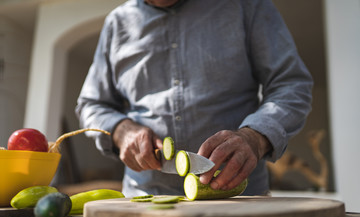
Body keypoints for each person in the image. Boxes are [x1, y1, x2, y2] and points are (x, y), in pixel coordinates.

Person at [76, 0, 313, 197]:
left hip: (239, 200)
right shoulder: (117, 24)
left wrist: (254, 137)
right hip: (144, 198)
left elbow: (291, 84)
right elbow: (92, 104)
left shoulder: (246, 5)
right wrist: (121, 130)